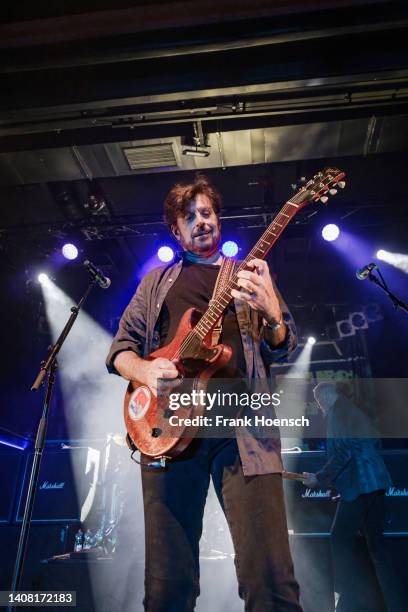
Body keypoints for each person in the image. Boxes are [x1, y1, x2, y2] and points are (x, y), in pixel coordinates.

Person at [106, 174, 303, 612]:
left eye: (207, 212)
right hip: (169, 432)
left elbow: (284, 344)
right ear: (175, 231)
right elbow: (120, 350)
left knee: (271, 581)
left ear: (218, 218)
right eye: (189, 216)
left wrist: (272, 312)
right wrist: (146, 368)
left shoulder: (249, 276)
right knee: (167, 586)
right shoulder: (156, 283)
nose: (200, 221)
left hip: (243, 432)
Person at [303, 382, 403, 612]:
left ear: (327, 397)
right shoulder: (350, 409)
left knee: (338, 538)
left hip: (360, 486)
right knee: (378, 548)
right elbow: (370, 440)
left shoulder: (338, 412)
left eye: (318, 402)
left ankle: (346, 598)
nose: (319, 407)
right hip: (374, 483)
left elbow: (343, 453)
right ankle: (395, 603)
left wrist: (319, 478)